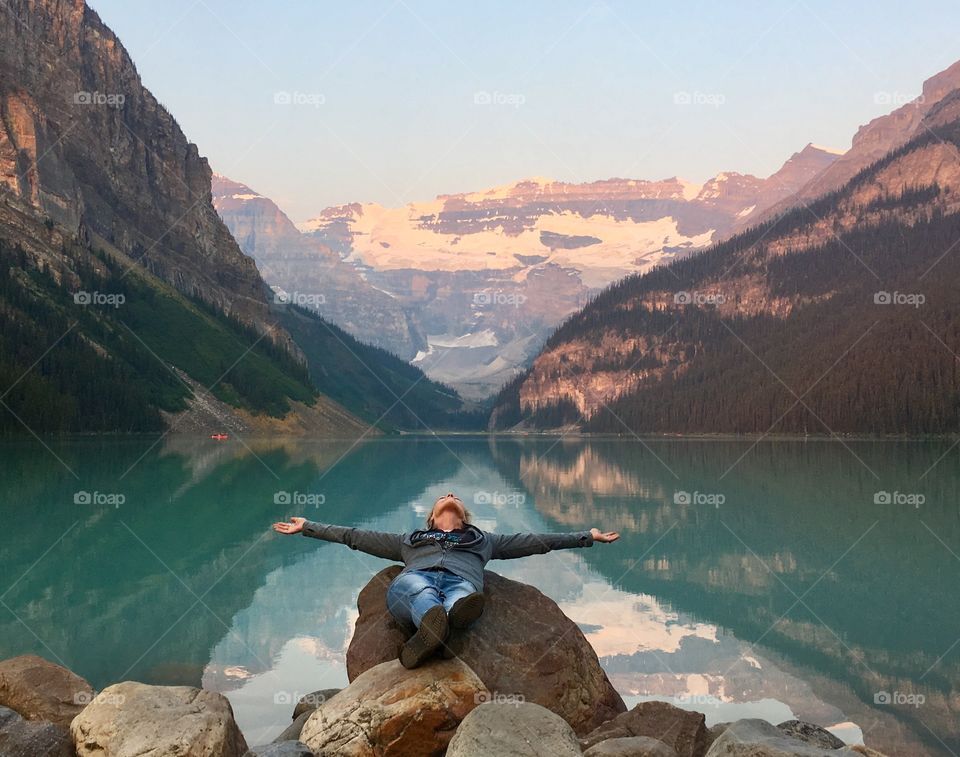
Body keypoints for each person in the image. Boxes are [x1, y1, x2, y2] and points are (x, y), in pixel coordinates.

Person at [272, 492, 620, 668]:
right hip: (415, 579)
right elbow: (355, 536)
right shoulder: (409, 541)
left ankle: (443, 623)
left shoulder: (484, 541)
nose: (449, 495)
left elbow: (535, 541)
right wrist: (309, 527)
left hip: (460, 582)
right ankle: (439, 624)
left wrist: (585, 537)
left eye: (454, 497)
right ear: (432, 517)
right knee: (415, 588)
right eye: (443, 497)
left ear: (464, 515)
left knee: (461, 595)